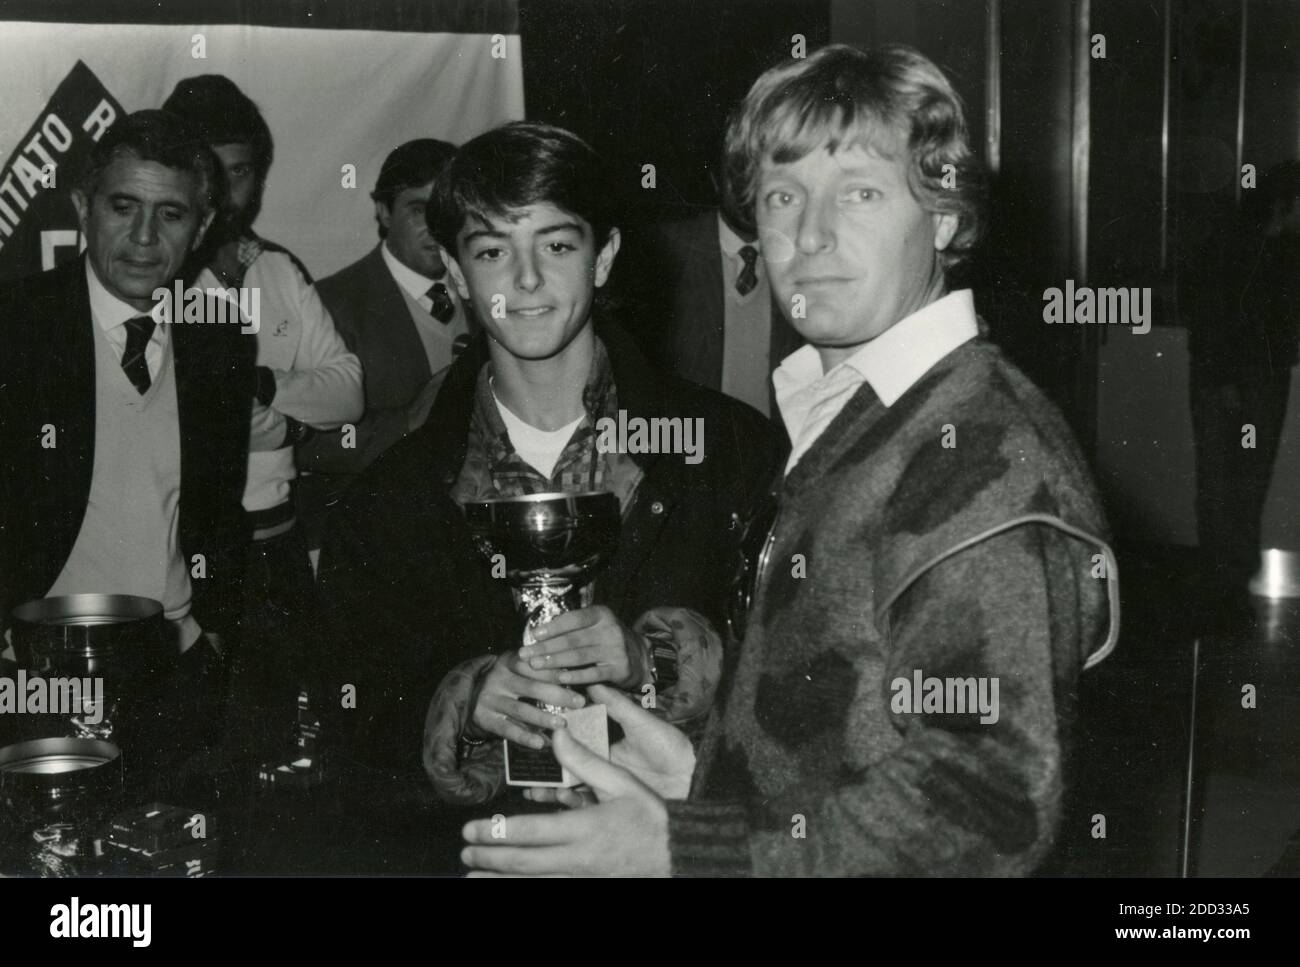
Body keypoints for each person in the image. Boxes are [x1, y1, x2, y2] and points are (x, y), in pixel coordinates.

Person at [458, 44, 1119, 877]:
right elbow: (852, 729)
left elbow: (988, 801)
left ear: (944, 215)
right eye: (782, 197)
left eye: (862, 193)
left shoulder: (973, 444)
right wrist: (702, 779)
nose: (811, 235)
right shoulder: (857, 416)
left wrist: (685, 846)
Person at [311, 121, 782, 870]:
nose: (526, 281)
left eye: (558, 246)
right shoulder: (389, 502)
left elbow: (799, 695)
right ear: (458, 276)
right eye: (493, 251)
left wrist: (655, 663)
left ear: (605, 259)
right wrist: (462, 704)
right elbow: (348, 732)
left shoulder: (732, 452)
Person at [0, 109, 255, 772]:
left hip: (178, 675)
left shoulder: (218, 340)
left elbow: (218, 511)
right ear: (84, 206)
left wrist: (218, 638)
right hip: (35, 678)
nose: (143, 237)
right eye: (123, 206)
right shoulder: (15, 327)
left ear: (200, 228)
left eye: (170, 214)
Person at [161, 75, 363, 763]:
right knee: (192, 743)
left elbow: (347, 391)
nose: (225, 193)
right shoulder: (144, 276)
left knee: (296, 744)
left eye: (240, 172)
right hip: (176, 549)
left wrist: (264, 390)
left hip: (274, 544)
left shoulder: (276, 271)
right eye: (207, 173)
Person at [296, 139, 474, 554]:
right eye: (417, 209)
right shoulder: (330, 302)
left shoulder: (486, 290)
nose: (437, 225)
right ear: (382, 211)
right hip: (371, 540)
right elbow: (304, 442)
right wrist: (408, 422)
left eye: (448, 209)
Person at [1184, 160, 1300, 620]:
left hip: (1257, 382)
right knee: (1224, 482)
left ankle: (1230, 582)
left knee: (1243, 483)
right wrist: (1226, 381)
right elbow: (1210, 315)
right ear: (1285, 203)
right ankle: (1222, 585)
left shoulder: (1281, 250)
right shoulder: (1234, 245)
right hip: (1234, 382)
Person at [618, 202, 802, 422]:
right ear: (716, 176)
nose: (748, 187)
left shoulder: (802, 252)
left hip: (772, 445)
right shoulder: (663, 247)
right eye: (739, 170)